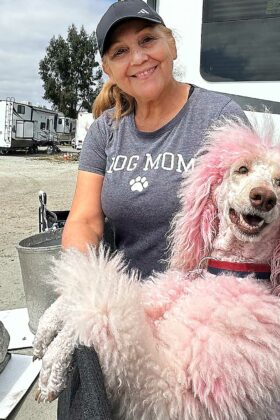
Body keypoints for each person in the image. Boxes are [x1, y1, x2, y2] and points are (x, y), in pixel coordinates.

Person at [57, 0, 248, 417]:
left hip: (202, 315)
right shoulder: (106, 129)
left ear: (172, 46)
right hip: (128, 310)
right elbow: (85, 219)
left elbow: (248, 230)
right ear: (108, 69)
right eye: (120, 51)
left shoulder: (220, 117)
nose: (139, 58)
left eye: (147, 40)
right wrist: (79, 292)